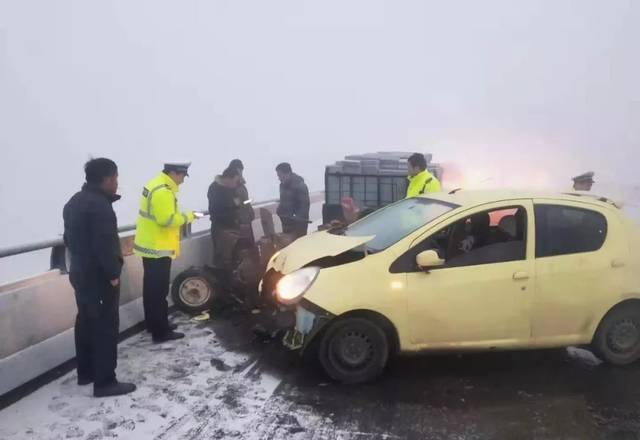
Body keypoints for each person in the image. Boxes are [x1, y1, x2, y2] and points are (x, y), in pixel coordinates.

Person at [63, 158, 136, 397]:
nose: (117, 183)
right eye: (115, 178)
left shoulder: (74, 202)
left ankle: (86, 372)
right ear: (106, 179)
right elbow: (105, 245)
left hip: (80, 273)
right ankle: (105, 382)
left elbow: (69, 240)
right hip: (99, 277)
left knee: (85, 322)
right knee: (105, 327)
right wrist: (113, 274)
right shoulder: (100, 207)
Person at [134, 162, 198, 343]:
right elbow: (167, 219)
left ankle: (154, 324)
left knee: (151, 290)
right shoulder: (163, 191)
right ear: (172, 173)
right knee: (158, 291)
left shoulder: (154, 183)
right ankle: (161, 332)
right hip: (158, 247)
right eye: (182, 176)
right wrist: (191, 216)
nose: (183, 180)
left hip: (150, 246)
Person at [208, 166, 243, 270]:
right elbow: (218, 209)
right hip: (221, 228)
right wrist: (232, 206)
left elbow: (237, 202)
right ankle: (222, 280)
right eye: (235, 181)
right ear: (228, 178)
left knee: (234, 256)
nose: (235, 184)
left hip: (233, 226)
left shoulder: (231, 188)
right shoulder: (215, 189)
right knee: (222, 258)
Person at [276, 162, 310, 238]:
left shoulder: (300, 186)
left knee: (298, 247)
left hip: (298, 226)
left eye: (280, 175)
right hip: (286, 223)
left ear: (288, 173)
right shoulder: (282, 185)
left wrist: (295, 219)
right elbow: (284, 201)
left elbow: (304, 207)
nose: (279, 178)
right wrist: (279, 210)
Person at [228, 159, 255, 243]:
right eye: (239, 170)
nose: (241, 173)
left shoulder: (241, 185)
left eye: (241, 171)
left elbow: (245, 201)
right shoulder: (230, 186)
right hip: (238, 224)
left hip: (246, 222)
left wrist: (250, 212)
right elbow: (234, 204)